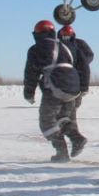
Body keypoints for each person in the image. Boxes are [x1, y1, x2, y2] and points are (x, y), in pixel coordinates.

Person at [24, 19, 86, 161]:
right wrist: (82, 89)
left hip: (55, 88)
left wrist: (29, 92)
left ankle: (61, 152)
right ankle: (77, 138)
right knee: (62, 118)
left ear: (37, 34)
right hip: (73, 88)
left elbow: (31, 73)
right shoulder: (66, 46)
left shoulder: (36, 49)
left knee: (46, 122)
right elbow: (83, 66)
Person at [58, 23, 94, 154]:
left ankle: (74, 142)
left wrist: (73, 64)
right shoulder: (78, 44)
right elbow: (89, 57)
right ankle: (73, 143)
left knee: (60, 117)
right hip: (74, 87)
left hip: (68, 87)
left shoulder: (61, 46)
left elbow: (88, 58)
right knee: (69, 116)